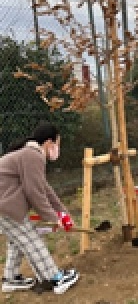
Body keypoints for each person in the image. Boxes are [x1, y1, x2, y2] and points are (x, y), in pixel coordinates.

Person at [0, 122, 79, 294]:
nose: (58, 148)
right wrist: (53, 218)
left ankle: (10, 278)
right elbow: (34, 193)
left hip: (4, 206)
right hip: (5, 207)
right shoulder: (33, 156)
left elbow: (44, 189)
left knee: (18, 240)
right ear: (49, 142)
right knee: (31, 240)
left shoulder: (30, 154)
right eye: (58, 144)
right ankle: (55, 278)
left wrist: (62, 213)